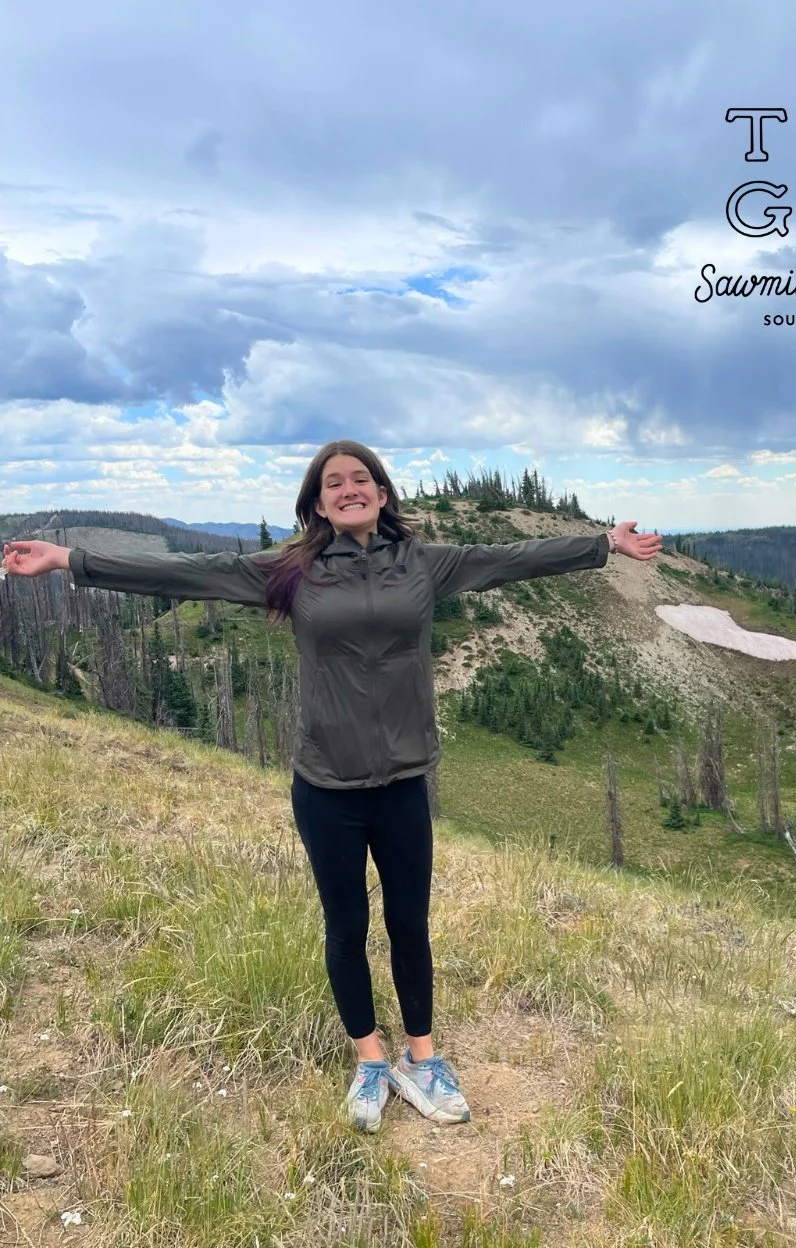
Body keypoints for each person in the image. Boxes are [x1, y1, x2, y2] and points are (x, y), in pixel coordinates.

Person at [3, 439, 663, 1131]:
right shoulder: (290, 571)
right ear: (317, 503)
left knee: (410, 925)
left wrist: (602, 544)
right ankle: (370, 1062)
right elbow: (185, 573)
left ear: (381, 493)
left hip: (404, 781)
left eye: (361, 479)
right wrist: (67, 561)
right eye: (333, 483)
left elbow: (513, 561)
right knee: (346, 926)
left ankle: (423, 1059)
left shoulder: (424, 564)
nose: (349, 488)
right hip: (326, 786)